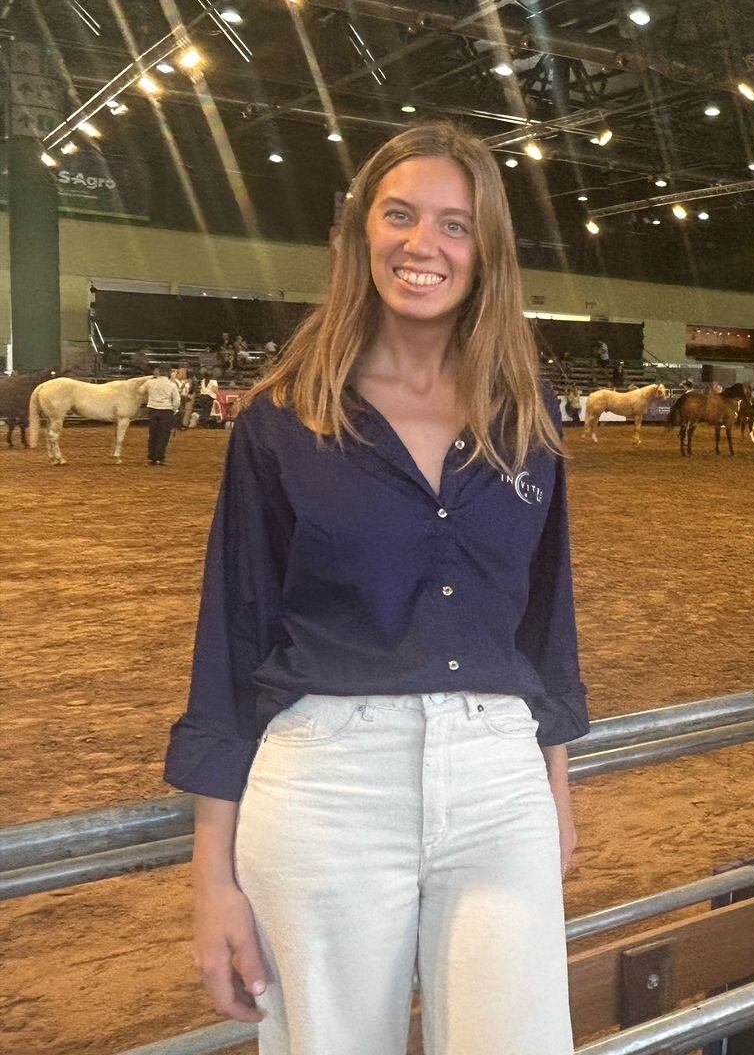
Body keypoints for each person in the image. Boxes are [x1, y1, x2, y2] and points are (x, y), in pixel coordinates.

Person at [163, 123, 587, 1055]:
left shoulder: (528, 420)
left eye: (453, 226)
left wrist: (552, 793)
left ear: (485, 257)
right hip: (326, 782)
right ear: (359, 234)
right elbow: (231, 643)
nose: (421, 245)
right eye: (398, 216)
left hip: (497, 780)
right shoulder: (281, 421)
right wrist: (212, 877)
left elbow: (545, 626)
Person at [145, 364, 181, 465]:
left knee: (153, 434)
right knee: (163, 435)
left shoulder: (150, 383)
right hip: (166, 410)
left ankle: (151, 456)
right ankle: (159, 457)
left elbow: (142, 391)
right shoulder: (172, 385)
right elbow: (177, 400)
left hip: (153, 409)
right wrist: (174, 410)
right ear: (169, 373)